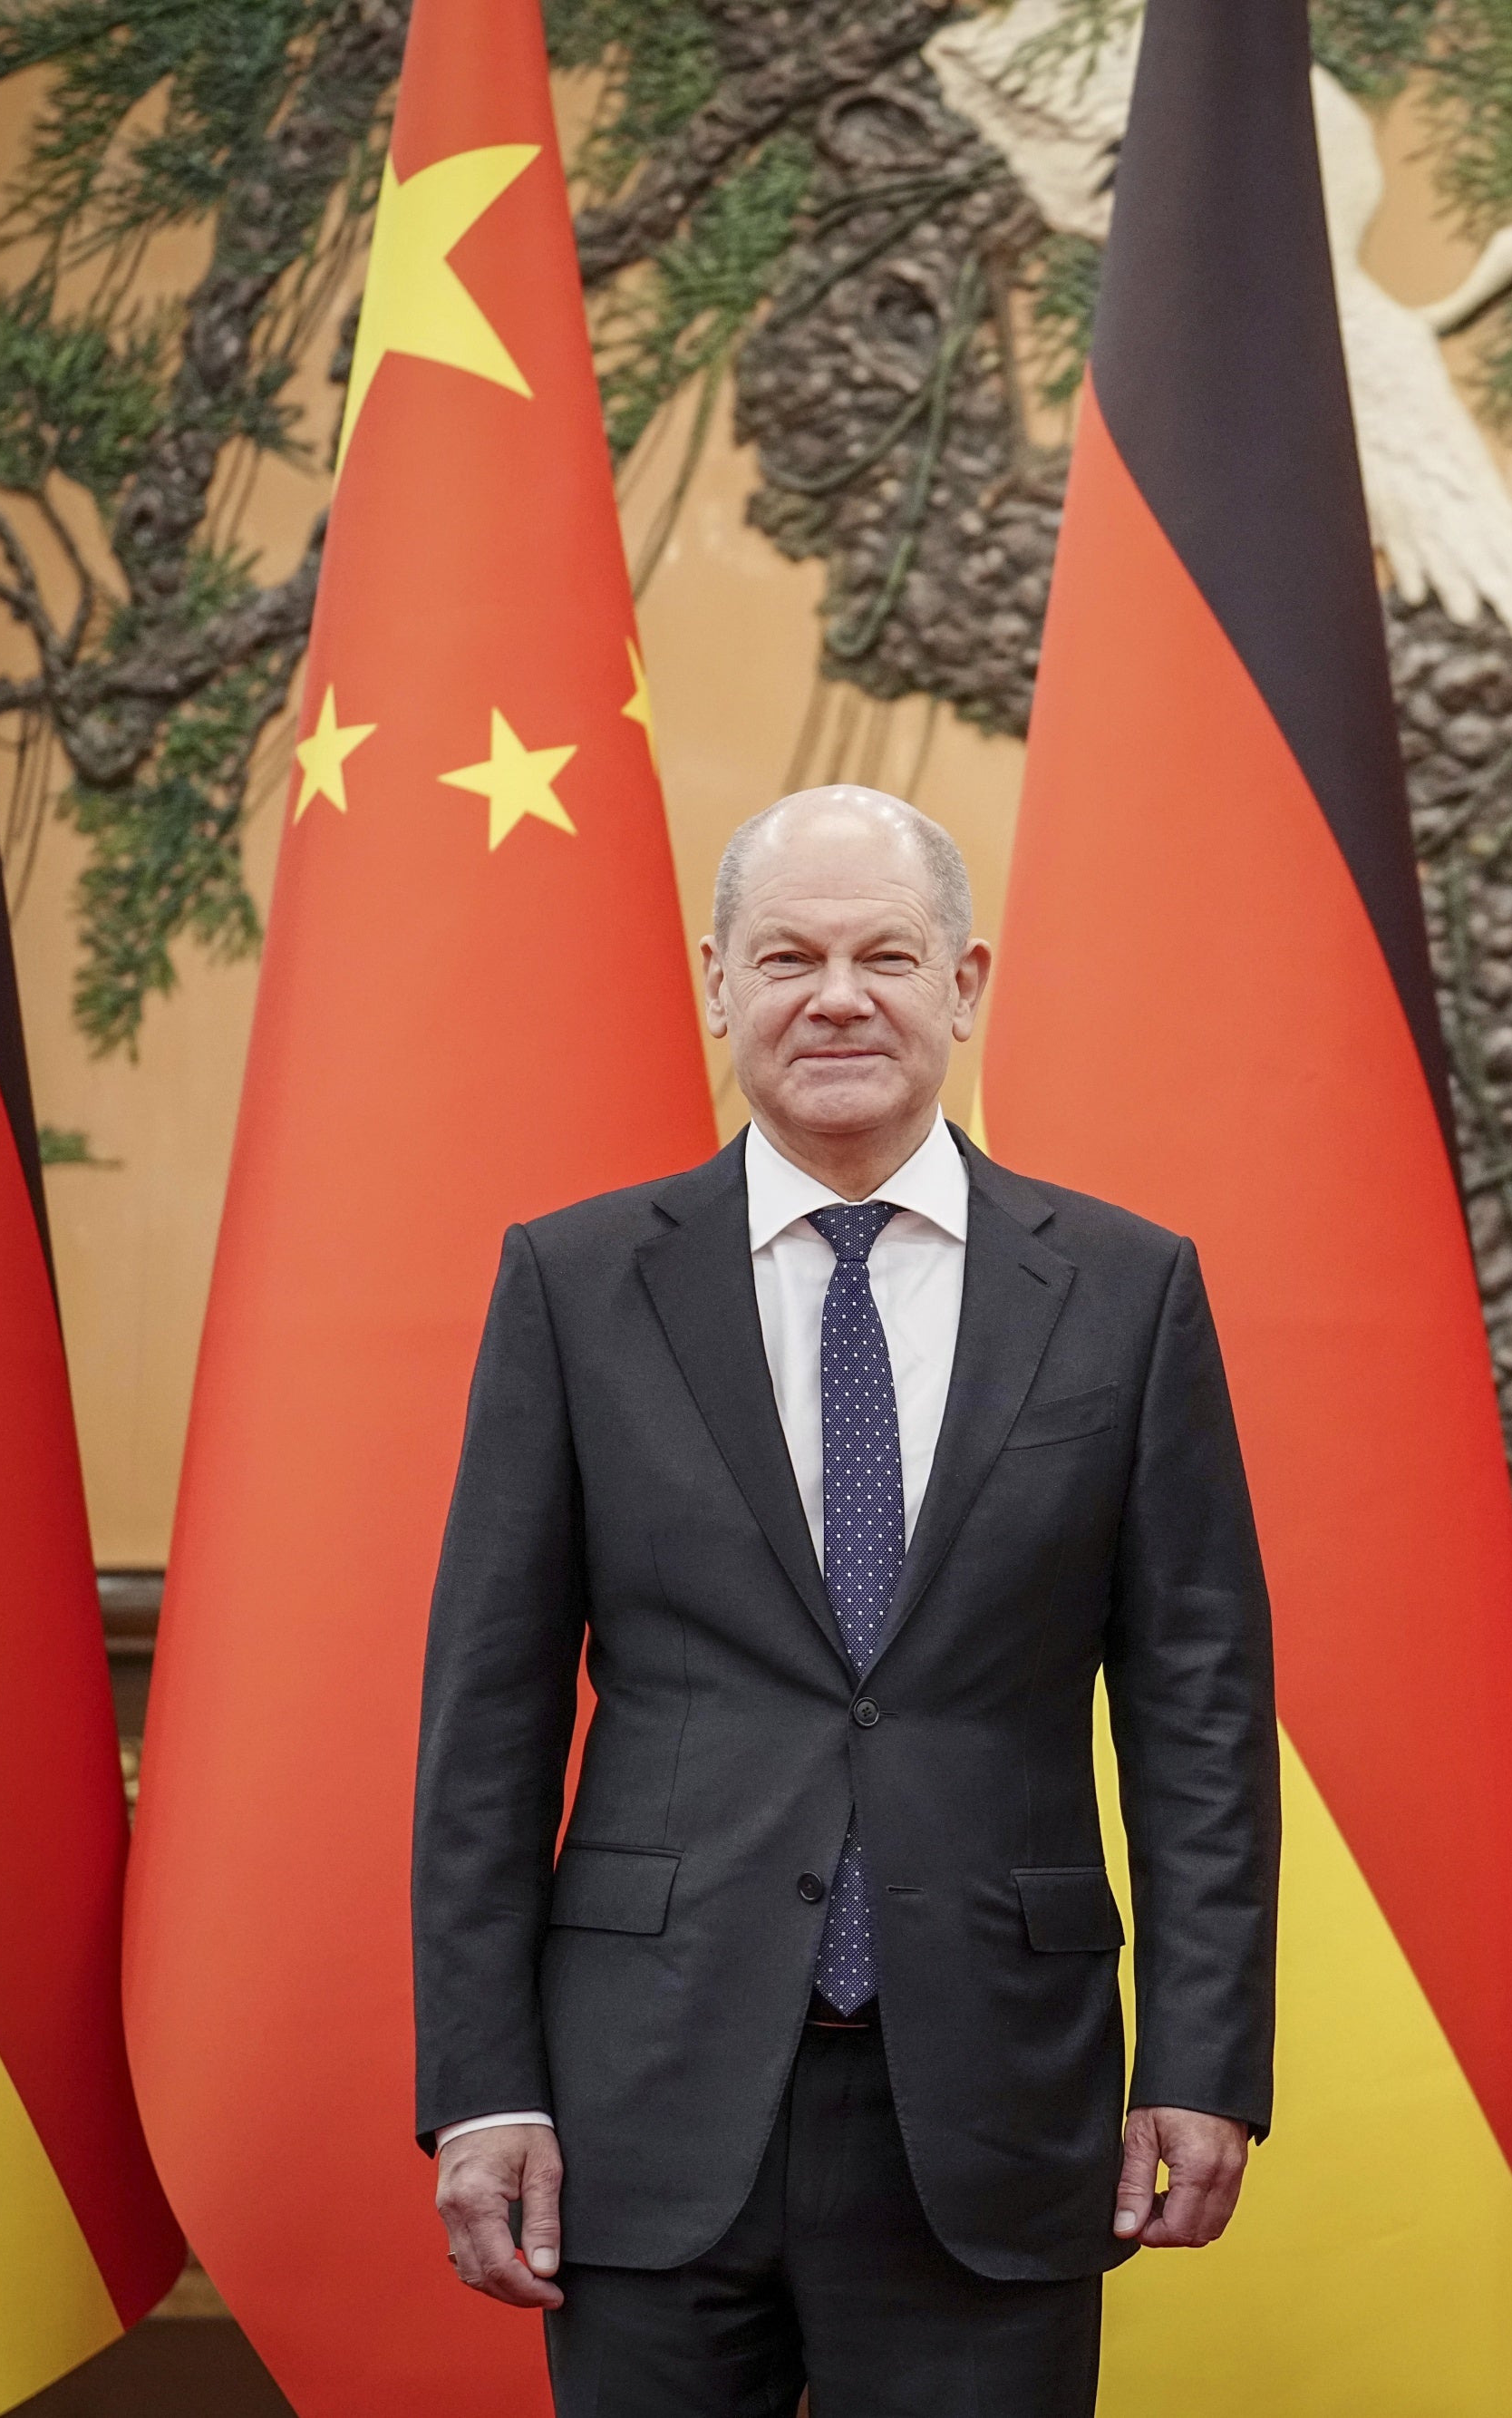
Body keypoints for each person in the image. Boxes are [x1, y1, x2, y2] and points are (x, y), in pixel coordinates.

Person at [412, 785, 1280, 2417]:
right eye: (787, 956)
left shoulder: (1126, 1290)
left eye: (885, 956)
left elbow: (1200, 1717)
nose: (837, 998)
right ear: (717, 984)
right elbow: (489, 1721)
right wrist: (482, 2086)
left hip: (999, 2094)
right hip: (645, 2093)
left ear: (964, 983)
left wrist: (1204, 2056)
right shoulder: (577, 1285)